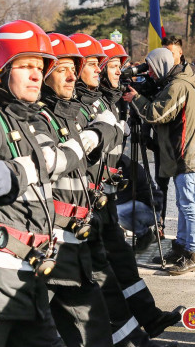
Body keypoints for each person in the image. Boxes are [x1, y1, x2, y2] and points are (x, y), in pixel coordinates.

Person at [73, 34, 181, 345]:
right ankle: (131, 333)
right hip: (87, 204)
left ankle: (149, 316)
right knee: (103, 276)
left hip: (103, 199)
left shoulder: (106, 99)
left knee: (122, 262)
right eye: (113, 65)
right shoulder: (84, 105)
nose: (120, 71)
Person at [0, 20, 68, 346]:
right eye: (25, 66)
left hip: (32, 272)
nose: (35, 75)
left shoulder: (33, 120)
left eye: (39, 67)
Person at [40, 32, 117, 346]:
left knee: (92, 327)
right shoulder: (38, 120)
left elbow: (108, 139)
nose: (72, 75)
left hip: (75, 237)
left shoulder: (71, 112)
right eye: (62, 69)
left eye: (75, 67)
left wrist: (98, 134)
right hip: (50, 244)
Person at [127, 47, 195, 275]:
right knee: (183, 203)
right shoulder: (173, 84)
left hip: (187, 153)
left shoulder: (178, 86)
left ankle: (192, 253)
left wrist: (136, 98)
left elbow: (157, 114)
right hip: (182, 153)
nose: (150, 74)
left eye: (152, 69)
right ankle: (182, 247)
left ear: (162, 66)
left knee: (188, 204)